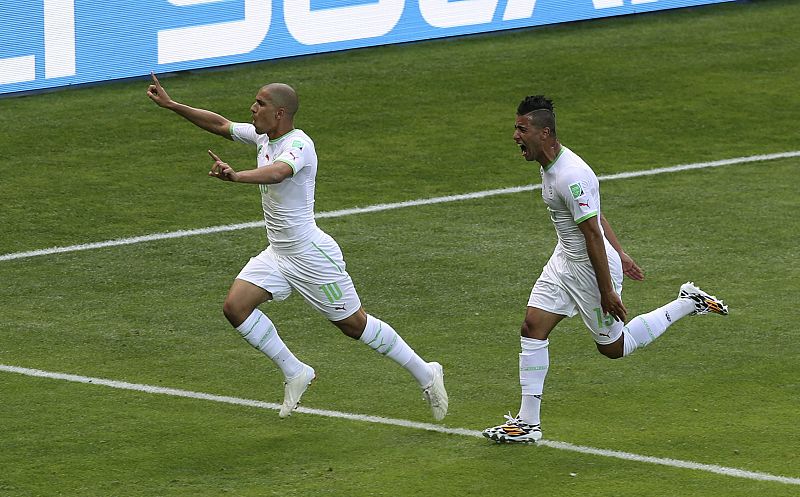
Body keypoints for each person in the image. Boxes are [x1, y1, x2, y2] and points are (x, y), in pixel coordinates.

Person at [146, 73, 447, 420]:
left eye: (260, 104)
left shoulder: (299, 145)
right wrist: (172, 106)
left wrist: (236, 176)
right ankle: (295, 371)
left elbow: (278, 173)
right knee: (235, 307)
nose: (252, 108)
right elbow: (221, 124)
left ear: (280, 113)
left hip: (309, 253)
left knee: (354, 325)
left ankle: (426, 372)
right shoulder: (262, 137)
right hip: (278, 254)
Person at [482, 95, 728, 443]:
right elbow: (593, 216)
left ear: (544, 132)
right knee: (532, 326)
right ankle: (527, 423)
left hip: (590, 269)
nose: (515, 136)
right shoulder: (549, 163)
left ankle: (688, 302)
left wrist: (607, 290)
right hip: (564, 260)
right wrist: (623, 252)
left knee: (615, 347)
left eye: (522, 129)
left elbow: (593, 235)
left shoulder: (571, 176)